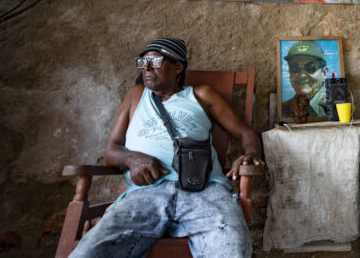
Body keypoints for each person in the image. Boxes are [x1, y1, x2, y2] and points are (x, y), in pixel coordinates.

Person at [70, 38, 263, 258]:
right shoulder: (136, 95)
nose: (147, 68)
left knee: (233, 249)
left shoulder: (201, 95)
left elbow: (245, 132)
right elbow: (111, 151)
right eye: (143, 62)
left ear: (178, 67)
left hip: (204, 190)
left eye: (156, 61)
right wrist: (132, 159)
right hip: (145, 193)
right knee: (88, 252)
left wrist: (250, 154)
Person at [281, 40, 329, 119]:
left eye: (310, 67)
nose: (302, 75)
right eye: (294, 67)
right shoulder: (283, 109)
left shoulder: (336, 107)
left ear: (324, 73)